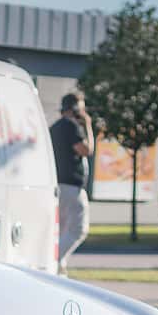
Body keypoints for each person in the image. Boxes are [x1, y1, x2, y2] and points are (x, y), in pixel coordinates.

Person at [50, 92, 93, 274]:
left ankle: (60, 268)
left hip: (57, 184)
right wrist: (88, 126)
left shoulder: (54, 127)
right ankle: (55, 260)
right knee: (78, 229)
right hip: (71, 186)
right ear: (76, 109)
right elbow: (86, 149)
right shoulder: (71, 126)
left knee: (61, 230)